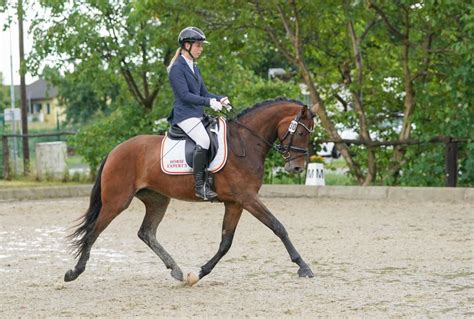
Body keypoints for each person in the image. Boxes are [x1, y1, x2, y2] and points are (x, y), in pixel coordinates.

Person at [167, 26, 231, 200]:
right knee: (203, 140)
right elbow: (185, 96)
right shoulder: (177, 68)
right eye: (198, 45)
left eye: (201, 46)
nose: (201, 49)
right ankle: (199, 186)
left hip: (197, 114)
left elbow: (204, 93)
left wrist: (220, 98)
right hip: (184, 115)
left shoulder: (195, 67)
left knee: (215, 136)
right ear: (186, 45)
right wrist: (209, 103)